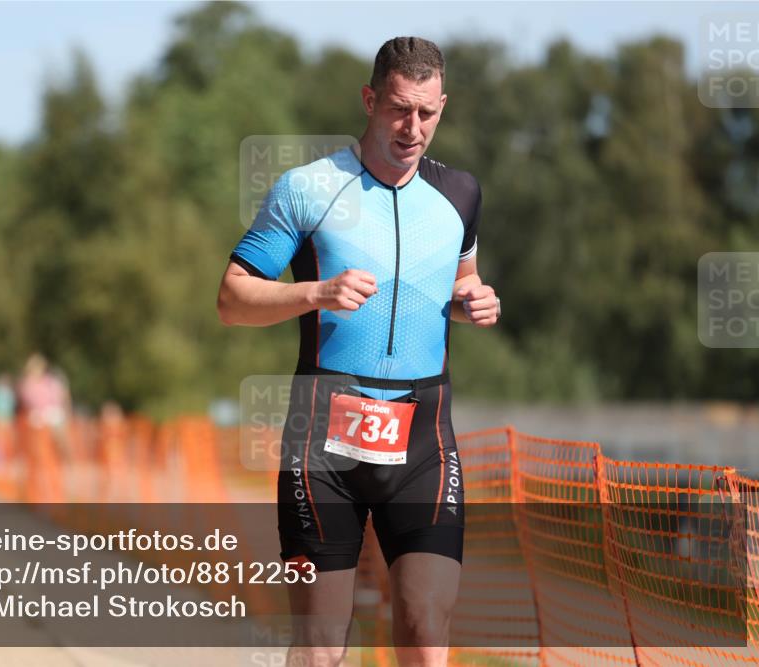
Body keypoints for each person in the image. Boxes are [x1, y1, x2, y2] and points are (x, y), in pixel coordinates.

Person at [217, 37, 500, 667]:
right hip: (322, 438)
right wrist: (316, 292)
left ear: (443, 107)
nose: (412, 128)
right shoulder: (307, 189)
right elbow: (232, 299)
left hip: (424, 438)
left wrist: (473, 301)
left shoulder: (461, 194)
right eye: (399, 109)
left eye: (426, 112)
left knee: (425, 623)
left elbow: (459, 284)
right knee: (321, 645)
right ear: (370, 100)